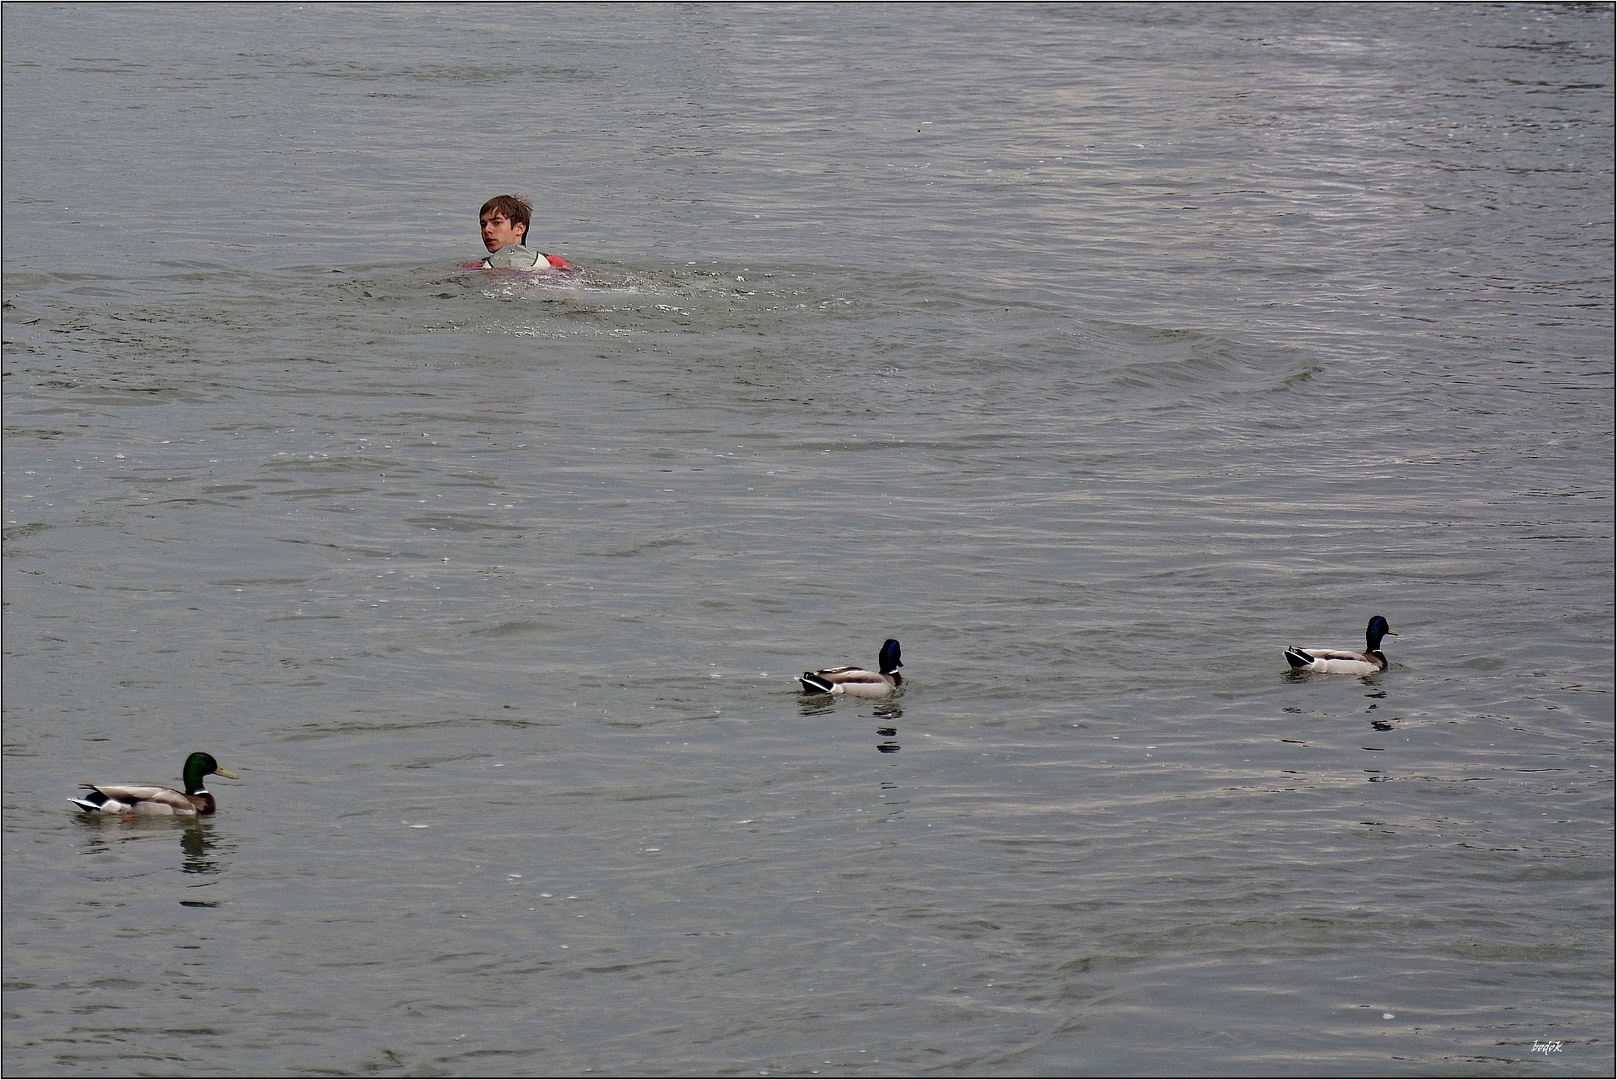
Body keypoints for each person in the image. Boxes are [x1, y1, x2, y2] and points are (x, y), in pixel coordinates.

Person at [473, 195, 572, 270]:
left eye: (496, 223)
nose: (487, 230)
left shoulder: (552, 263)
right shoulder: (476, 267)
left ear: (519, 228)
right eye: (483, 224)